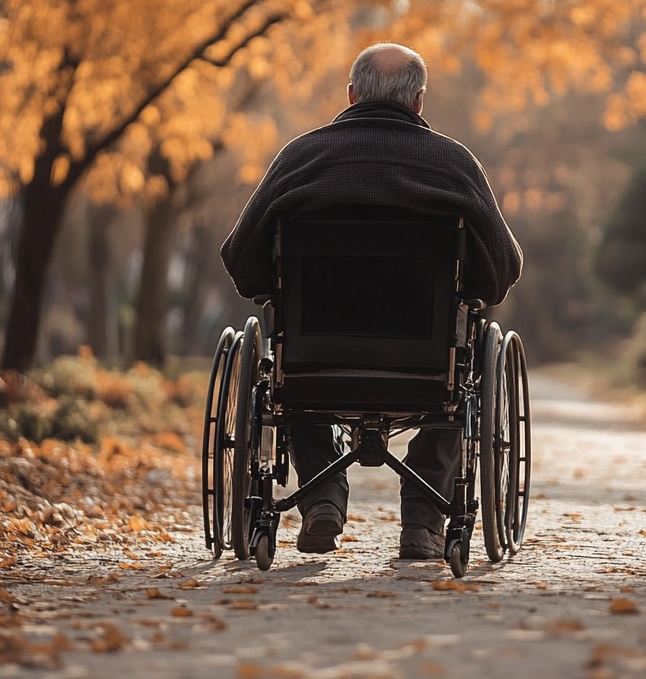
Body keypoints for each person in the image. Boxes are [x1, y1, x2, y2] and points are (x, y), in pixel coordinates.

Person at [220, 42, 522, 560]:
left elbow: (240, 256)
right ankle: (424, 522)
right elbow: (503, 269)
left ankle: (321, 500)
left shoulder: (300, 158)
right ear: (419, 102)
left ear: (352, 93)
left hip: (315, 364)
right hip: (427, 369)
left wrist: (270, 289)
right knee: (465, 356)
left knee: (288, 353)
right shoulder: (453, 165)